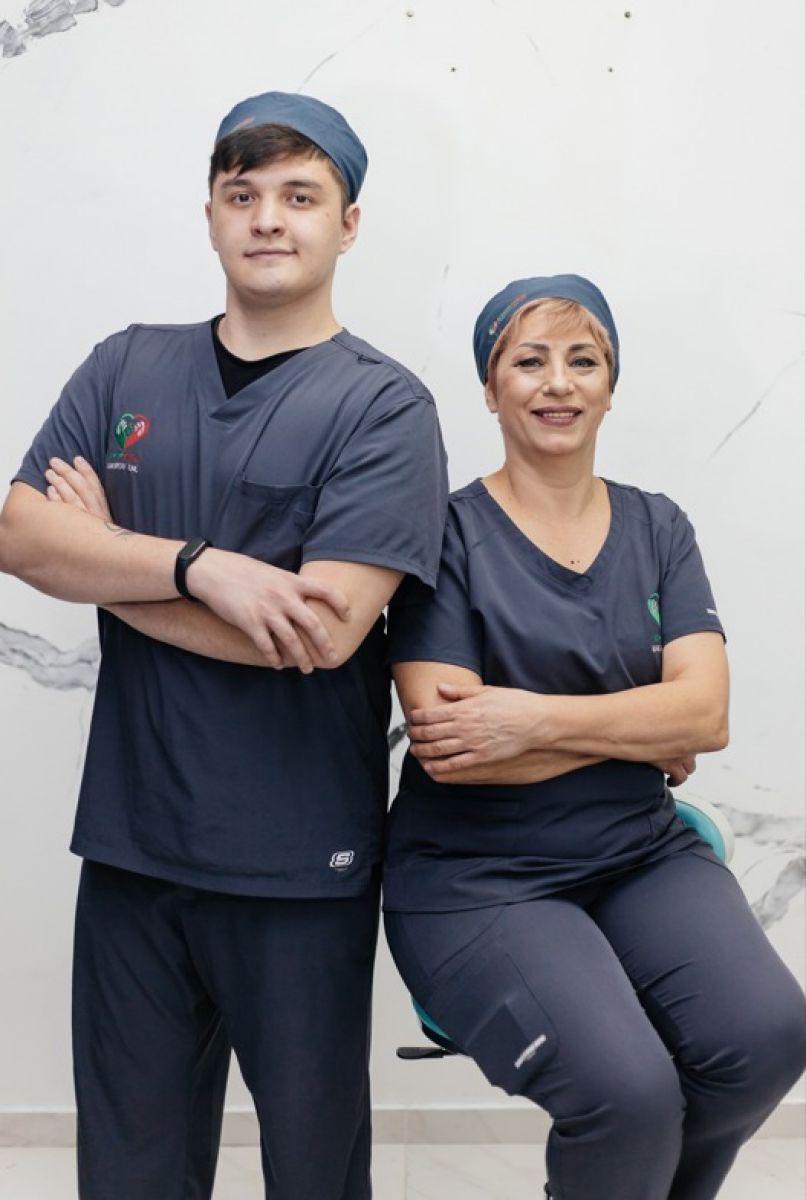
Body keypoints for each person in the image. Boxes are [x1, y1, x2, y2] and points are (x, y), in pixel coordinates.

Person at [0, 91, 447, 1200]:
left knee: (312, 1171)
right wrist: (204, 568)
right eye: (242, 195)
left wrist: (108, 562)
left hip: (296, 865)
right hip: (133, 849)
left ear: (348, 224)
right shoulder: (125, 368)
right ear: (208, 214)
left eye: (300, 196)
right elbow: (19, 536)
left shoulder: (384, 408)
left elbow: (318, 633)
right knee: (129, 1173)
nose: (267, 219)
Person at [383, 275, 806, 1200]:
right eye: (528, 361)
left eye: (584, 360)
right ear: (490, 389)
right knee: (628, 1096)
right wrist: (637, 729)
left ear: (611, 386)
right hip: (476, 876)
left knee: (769, 1038)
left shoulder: (659, 527)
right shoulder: (444, 535)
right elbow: (453, 744)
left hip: (638, 852)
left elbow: (706, 716)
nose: (558, 383)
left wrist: (532, 719)